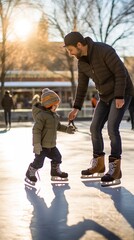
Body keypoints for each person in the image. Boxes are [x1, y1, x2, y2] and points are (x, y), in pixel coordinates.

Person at [64, 31, 134, 186]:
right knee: (94, 127)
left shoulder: (104, 50)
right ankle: (99, 165)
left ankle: (115, 169)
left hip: (122, 92)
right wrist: (76, 107)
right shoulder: (81, 62)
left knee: (112, 128)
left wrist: (119, 96)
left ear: (79, 45)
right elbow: (82, 86)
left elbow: (120, 73)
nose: (70, 53)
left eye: (71, 50)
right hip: (104, 96)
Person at [25, 88, 75, 185]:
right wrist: (36, 145)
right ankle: (30, 172)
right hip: (42, 146)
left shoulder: (54, 116)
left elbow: (58, 126)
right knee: (39, 163)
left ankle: (55, 172)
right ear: (49, 105)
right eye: (55, 105)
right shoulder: (42, 116)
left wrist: (67, 129)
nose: (57, 107)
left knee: (58, 157)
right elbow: (36, 130)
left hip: (51, 145)